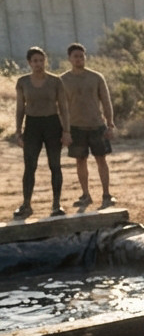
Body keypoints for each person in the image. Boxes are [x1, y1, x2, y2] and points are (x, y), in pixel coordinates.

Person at [12, 47, 69, 218]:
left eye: (41, 60)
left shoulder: (55, 81)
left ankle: (56, 205)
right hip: (32, 125)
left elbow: (63, 108)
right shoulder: (23, 82)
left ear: (45, 61)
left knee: (55, 165)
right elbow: (20, 108)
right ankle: (26, 204)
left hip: (52, 124)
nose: (38, 64)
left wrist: (66, 131)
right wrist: (18, 131)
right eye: (35, 61)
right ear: (29, 63)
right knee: (30, 166)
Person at [60, 43, 116, 209]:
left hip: (96, 125)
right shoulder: (63, 80)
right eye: (75, 56)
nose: (79, 59)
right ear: (70, 59)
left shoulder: (96, 77)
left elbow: (106, 101)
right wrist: (64, 130)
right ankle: (85, 195)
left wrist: (110, 123)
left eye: (81, 56)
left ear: (85, 57)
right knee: (80, 161)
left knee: (101, 160)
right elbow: (61, 107)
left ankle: (106, 195)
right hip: (76, 127)